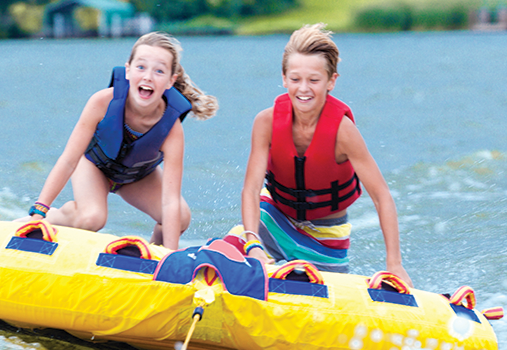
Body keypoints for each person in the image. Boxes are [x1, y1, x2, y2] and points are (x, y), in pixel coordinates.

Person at [240, 23, 411, 285]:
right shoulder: (266, 122)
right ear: (284, 78)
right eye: (295, 79)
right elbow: (251, 189)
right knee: (232, 249)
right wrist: (252, 241)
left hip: (325, 235)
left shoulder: (343, 132)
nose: (304, 89)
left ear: (331, 81)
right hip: (274, 217)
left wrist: (394, 265)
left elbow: (382, 196)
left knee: (308, 287)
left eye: (314, 80)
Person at [21, 32, 217, 250]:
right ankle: (54, 219)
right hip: (94, 166)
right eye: (141, 67)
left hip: (136, 176)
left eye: (159, 71)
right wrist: (39, 211)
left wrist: (170, 256)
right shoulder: (102, 102)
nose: (148, 77)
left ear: (171, 81)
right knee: (92, 218)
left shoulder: (172, 129)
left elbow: (170, 201)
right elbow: (69, 160)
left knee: (180, 216)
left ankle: (155, 254)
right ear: (128, 70)